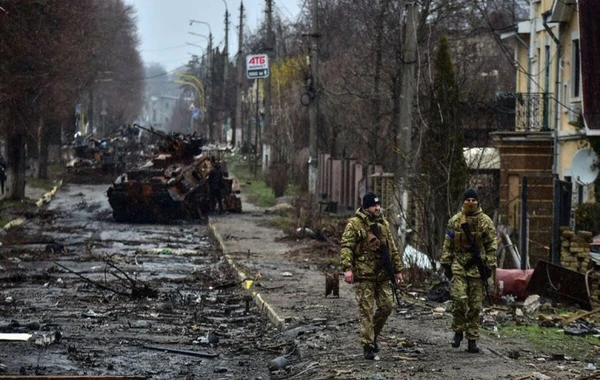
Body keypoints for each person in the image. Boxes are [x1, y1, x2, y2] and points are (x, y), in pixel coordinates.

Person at [340, 192, 404, 360]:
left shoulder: (383, 224)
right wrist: (347, 269)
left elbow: (392, 249)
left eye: (378, 205)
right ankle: (368, 345)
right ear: (366, 206)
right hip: (364, 274)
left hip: (382, 275)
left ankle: (372, 335)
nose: (377, 208)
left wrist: (397, 270)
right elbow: (347, 247)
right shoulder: (355, 224)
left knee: (387, 306)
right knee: (366, 311)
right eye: (373, 205)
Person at [440, 188, 497, 353]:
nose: (470, 202)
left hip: (477, 268)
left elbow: (491, 246)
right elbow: (448, 243)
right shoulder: (455, 221)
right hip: (459, 265)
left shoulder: (486, 222)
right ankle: (458, 330)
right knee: (459, 299)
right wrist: (446, 264)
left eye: (473, 200)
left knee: (475, 305)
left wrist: (489, 267)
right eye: (468, 200)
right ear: (463, 202)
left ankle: (472, 339)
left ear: (478, 202)